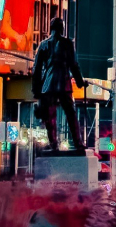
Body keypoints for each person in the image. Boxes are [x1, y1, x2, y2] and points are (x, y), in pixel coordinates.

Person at [32, 17, 86, 152]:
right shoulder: (67, 43)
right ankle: (78, 144)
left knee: (50, 116)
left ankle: (54, 145)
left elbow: (36, 69)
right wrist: (80, 82)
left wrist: (36, 89)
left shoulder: (43, 44)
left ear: (51, 28)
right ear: (62, 28)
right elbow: (74, 65)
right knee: (71, 114)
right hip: (64, 83)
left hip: (48, 85)